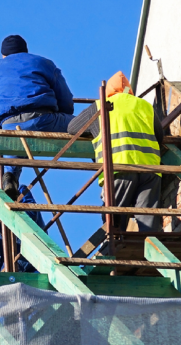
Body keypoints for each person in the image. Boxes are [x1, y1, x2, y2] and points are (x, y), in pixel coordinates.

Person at [67, 72, 164, 231]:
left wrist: (94, 130)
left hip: (119, 169)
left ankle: (115, 248)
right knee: (149, 222)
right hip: (151, 171)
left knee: (113, 222)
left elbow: (72, 129)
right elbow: (159, 136)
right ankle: (153, 250)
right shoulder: (145, 105)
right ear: (129, 90)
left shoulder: (100, 106)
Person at [0, 35, 75, 198]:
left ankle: (10, 177)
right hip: (41, 119)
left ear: (3, 55)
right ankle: (107, 182)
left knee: (16, 140)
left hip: (7, 124)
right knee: (89, 126)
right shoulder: (42, 62)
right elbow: (66, 100)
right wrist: (63, 113)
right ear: (25, 50)